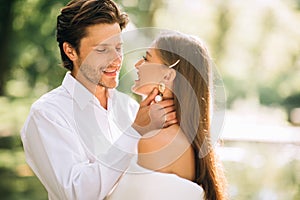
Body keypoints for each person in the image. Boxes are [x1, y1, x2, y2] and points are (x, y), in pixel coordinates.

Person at [20, 0, 176, 199]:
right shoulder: (47, 115)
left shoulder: (128, 107)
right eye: (102, 50)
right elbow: (77, 193)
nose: (117, 60)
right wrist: (135, 131)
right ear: (70, 51)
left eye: (118, 47)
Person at [106, 31, 228, 200]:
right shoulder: (185, 138)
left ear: (168, 75)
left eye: (147, 58)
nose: (137, 65)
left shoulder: (156, 142)